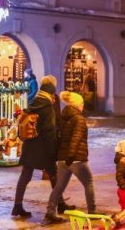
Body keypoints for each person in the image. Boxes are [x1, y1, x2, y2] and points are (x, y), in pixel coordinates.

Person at [13, 75, 73, 219]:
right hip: (44, 148)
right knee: (54, 175)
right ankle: (59, 205)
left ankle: (17, 206)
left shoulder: (35, 101)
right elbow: (49, 130)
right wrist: (53, 150)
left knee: (25, 176)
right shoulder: (47, 105)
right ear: (52, 88)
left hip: (30, 146)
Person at [43, 91, 96, 225]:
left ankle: (50, 212)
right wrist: (72, 156)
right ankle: (92, 211)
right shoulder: (79, 118)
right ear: (78, 104)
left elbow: (60, 136)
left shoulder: (64, 116)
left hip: (62, 159)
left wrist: (64, 157)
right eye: (82, 103)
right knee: (88, 182)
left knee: (59, 187)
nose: (83, 105)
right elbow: (76, 138)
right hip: (75, 158)